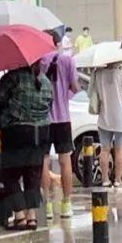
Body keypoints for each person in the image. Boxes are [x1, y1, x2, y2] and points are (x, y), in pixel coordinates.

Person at [0, 63, 52, 231]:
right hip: (40, 133)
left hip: (16, 132)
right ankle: (32, 217)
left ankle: (20, 216)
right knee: (32, 176)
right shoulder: (45, 80)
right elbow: (49, 104)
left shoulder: (13, 77)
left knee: (11, 175)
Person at [40, 30, 80, 219]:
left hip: (43, 119)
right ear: (57, 43)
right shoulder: (68, 61)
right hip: (63, 118)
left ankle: (47, 204)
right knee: (65, 162)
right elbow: (75, 87)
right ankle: (66, 204)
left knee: (44, 161)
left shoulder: (38, 62)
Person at [91, 62, 122, 193]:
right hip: (121, 119)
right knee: (120, 150)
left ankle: (105, 180)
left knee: (105, 150)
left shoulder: (98, 74)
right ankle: (118, 181)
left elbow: (91, 93)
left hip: (104, 117)